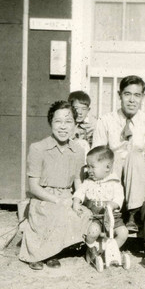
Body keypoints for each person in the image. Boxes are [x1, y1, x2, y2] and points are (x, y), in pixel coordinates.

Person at [19, 100, 92, 270]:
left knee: (85, 215)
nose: (63, 127)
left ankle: (53, 251)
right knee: (55, 212)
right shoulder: (38, 148)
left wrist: (77, 201)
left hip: (67, 196)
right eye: (58, 121)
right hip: (43, 197)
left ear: (75, 124)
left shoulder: (78, 150)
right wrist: (57, 200)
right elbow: (34, 187)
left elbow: (77, 181)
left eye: (68, 122)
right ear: (50, 122)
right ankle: (36, 254)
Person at [92, 75, 145, 231]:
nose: (132, 100)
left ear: (143, 97)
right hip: (113, 171)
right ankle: (112, 213)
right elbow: (97, 153)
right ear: (119, 95)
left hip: (139, 174)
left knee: (135, 155)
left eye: (137, 95)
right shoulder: (106, 120)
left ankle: (133, 215)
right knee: (114, 156)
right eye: (127, 94)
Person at [72, 146, 128, 264]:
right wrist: (76, 202)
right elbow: (80, 192)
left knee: (123, 233)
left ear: (107, 167)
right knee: (93, 232)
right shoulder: (88, 182)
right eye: (88, 166)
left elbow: (119, 197)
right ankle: (91, 248)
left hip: (113, 217)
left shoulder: (115, 182)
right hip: (95, 217)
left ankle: (110, 250)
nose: (89, 170)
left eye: (92, 167)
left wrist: (112, 205)